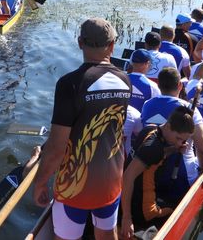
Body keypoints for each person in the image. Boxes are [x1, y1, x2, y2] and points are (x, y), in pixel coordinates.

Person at [33, 18, 131, 240]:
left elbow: (57, 149)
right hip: (111, 181)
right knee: (107, 235)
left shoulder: (69, 84)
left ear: (79, 43)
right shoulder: (125, 80)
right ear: (112, 46)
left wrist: (40, 182)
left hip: (74, 188)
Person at [120, 107, 196, 238]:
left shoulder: (150, 129)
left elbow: (154, 154)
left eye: (183, 140)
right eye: (178, 138)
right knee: (180, 211)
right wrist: (126, 218)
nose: (180, 142)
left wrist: (175, 149)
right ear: (169, 126)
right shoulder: (153, 148)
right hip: (145, 210)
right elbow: (127, 177)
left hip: (134, 199)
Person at [140, 67, 203, 206]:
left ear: (158, 84)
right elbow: (202, 149)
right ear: (179, 85)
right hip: (182, 174)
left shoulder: (147, 105)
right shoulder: (190, 111)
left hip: (151, 170)